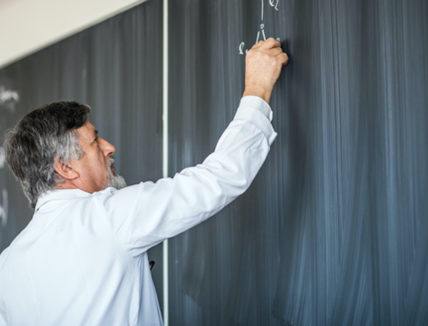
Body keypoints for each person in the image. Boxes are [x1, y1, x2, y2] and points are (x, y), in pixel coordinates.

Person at [0, 38, 288, 326]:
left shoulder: (8, 264)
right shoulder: (107, 217)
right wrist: (257, 91)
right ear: (64, 167)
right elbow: (219, 178)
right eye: (94, 141)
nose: (109, 147)